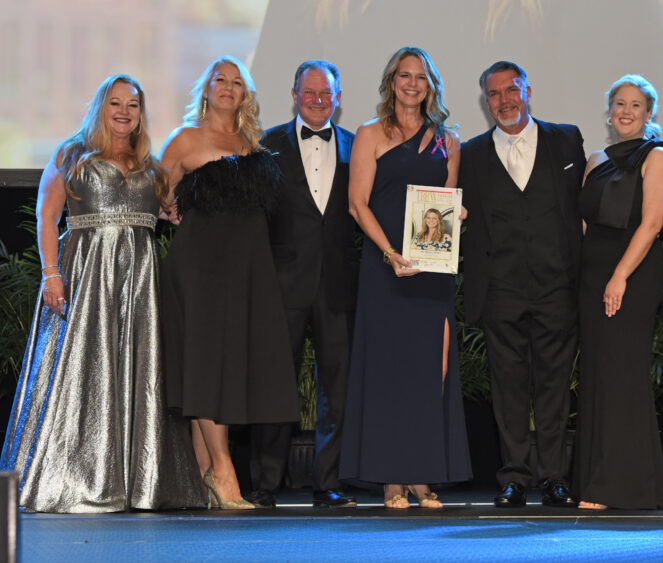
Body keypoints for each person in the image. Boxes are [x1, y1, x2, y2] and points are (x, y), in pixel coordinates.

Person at [0, 75, 204, 512]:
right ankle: (70, 479)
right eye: (116, 103)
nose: (124, 112)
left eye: (133, 104)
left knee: (140, 372)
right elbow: (46, 216)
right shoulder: (71, 155)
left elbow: (168, 213)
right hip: (85, 277)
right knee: (81, 370)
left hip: (140, 284)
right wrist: (51, 275)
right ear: (100, 106)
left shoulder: (152, 167)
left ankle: (139, 484)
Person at [160, 56, 299, 510]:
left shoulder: (252, 142)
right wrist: (169, 209)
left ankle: (203, 481)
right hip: (199, 267)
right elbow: (158, 196)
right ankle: (224, 471)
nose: (227, 86)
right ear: (206, 89)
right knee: (205, 367)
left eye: (236, 82)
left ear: (245, 94)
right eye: (219, 79)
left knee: (224, 368)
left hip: (247, 270)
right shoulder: (185, 139)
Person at [339, 46, 472, 508]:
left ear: (430, 85)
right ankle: (391, 479)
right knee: (388, 372)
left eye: (420, 77)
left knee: (430, 372)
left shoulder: (448, 141)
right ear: (391, 82)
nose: (412, 84)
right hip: (385, 271)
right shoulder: (370, 134)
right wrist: (390, 254)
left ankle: (420, 473)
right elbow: (357, 204)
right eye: (404, 76)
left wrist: (457, 214)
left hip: (431, 272)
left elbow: (447, 200)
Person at [460, 61, 585, 508]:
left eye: (511, 90)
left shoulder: (566, 139)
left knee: (554, 387)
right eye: (493, 94)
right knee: (508, 388)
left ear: (527, 90)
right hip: (500, 291)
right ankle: (513, 477)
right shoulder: (471, 154)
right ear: (485, 101)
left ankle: (553, 477)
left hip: (557, 287)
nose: (504, 100)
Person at [253, 60, 358, 509]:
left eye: (326, 93)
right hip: (283, 284)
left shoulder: (356, 145)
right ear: (294, 95)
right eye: (309, 92)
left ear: (338, 98)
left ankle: (327, 483)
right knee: (275, 384)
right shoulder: (267, 144)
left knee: (337, 389)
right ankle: (265, 484)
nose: (318, 100)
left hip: (338, 284)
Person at [572, 75, 663, 510]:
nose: (626, 111)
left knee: (621, 377)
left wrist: (619, 276)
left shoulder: (658, 156)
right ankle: (597, 480)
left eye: (635, 105)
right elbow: (584, 223)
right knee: (597, 376)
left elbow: (652, 224)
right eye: (619, 103)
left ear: (649, 113)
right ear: (609, 110)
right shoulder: (596, 160)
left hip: (630, 277)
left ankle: (617, 486)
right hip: (592, 278)